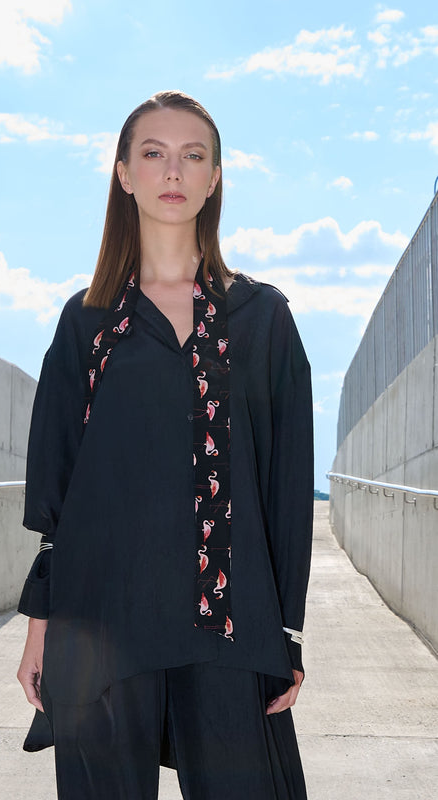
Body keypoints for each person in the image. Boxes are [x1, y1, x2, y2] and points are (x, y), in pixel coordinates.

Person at [17, 90, 314, 800]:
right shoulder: (88, 322)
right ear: (123, 173)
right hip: (100, 620)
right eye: (152, 153)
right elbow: (55, 487)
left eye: (192, 156)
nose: (171, 171)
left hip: (228, 619)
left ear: (214, 178)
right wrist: (39, 628)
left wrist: (288, 631)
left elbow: (285, 483)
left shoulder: (261, 318)